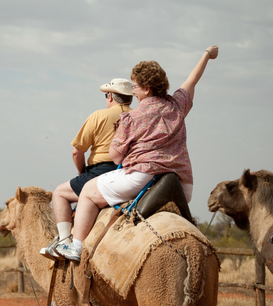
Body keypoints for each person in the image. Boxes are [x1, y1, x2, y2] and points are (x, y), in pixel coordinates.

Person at [55, 46, 220, 262]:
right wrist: (207, 55)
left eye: (135, 87)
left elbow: (115, 156)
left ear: (147, 89)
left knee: (87, 191)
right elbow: (192, 80)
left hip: (142, 177)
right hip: (182, 184)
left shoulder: (132, 117)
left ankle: (75, 247)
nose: (133, 92)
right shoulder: (177, 105)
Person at [40, 78, 133, 260]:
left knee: (59, 193)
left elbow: (77, 152)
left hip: (100, 172)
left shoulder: (98, 116)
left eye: (107, 95)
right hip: (129, 174)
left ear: (111, 96)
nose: (107, 98)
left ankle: (65, 242)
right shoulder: (138, 116)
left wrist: (82, 173)